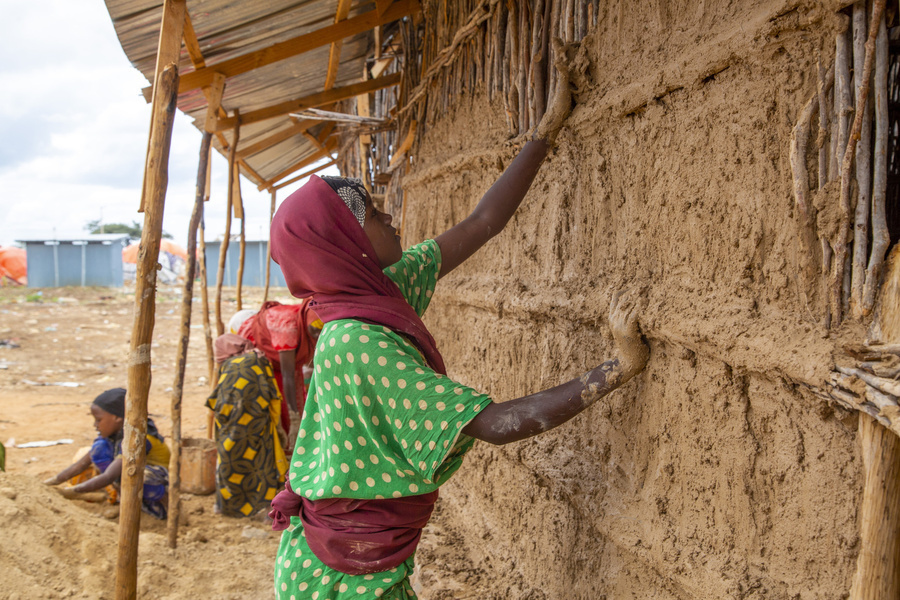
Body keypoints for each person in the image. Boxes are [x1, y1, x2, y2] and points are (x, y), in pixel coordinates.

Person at [268, 53, 649, 599]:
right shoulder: (358, 341)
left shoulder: (379, 297)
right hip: (342, 577)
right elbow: (492, 423)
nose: (390, 216)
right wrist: (615, 370)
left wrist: (543, 134)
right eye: (373, 215)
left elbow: (482, 223)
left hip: (355, 556)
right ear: (345, 245)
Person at [44, 388, 171, 519]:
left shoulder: (139, 439)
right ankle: (124, 501)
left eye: (98, 420)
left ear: (117, 418)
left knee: (133, 475)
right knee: (100, 449)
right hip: (131, 484)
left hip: (157, 485)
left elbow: (109, 476)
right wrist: (50, 483)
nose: (95, 425)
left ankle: (168, 510)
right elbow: (81, 464)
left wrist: (71, 492)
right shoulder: (112, 437)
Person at [207, 333, 290, 517]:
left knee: (231, 464)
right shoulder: (259, 358)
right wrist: (277, 425)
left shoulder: (229, 366)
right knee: (263, 465)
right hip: (259, 425)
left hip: (232, 429)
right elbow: (273, 394)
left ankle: (228, 507)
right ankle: (265, 508)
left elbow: (217, 401)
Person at [235, 300, 323, 440]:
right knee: (279, 409)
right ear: (306, 324)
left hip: (286, 361)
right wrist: (294, 418)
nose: (318, 337)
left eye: (321, 332)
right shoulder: (287, 326)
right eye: (315, 332)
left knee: (298, 401)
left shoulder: (310, 318)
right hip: (266, 359)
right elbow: (287, 375)